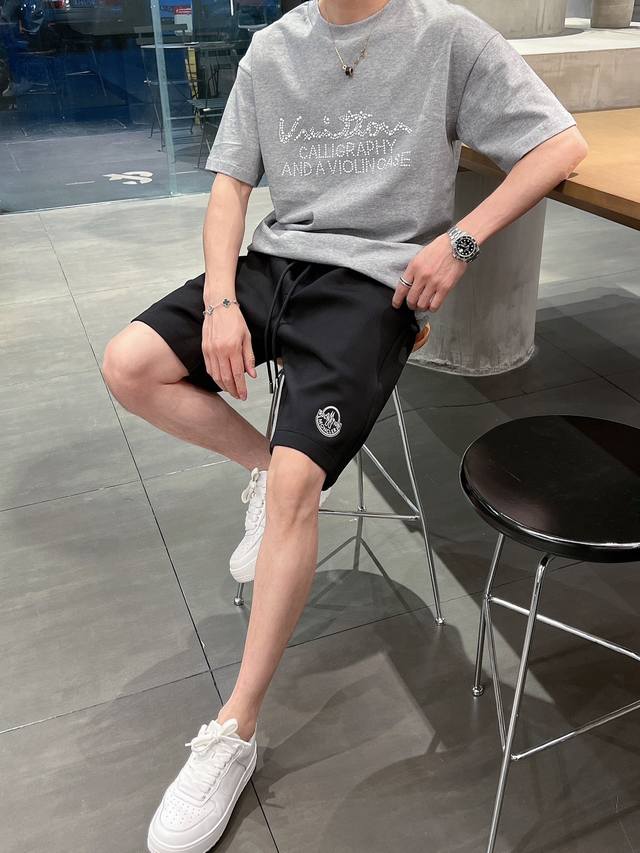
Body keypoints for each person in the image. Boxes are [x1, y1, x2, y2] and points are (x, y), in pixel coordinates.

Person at [101, 1, 588, 850]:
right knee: (128, 364)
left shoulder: (445, 35)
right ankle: (266, 468)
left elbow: (559, 144)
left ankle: (234, 730)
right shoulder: (273, 48)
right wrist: (221, 301)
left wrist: (461, 241)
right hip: (276, 263)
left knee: (302, 482)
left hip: (372, 285)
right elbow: (231, 187)